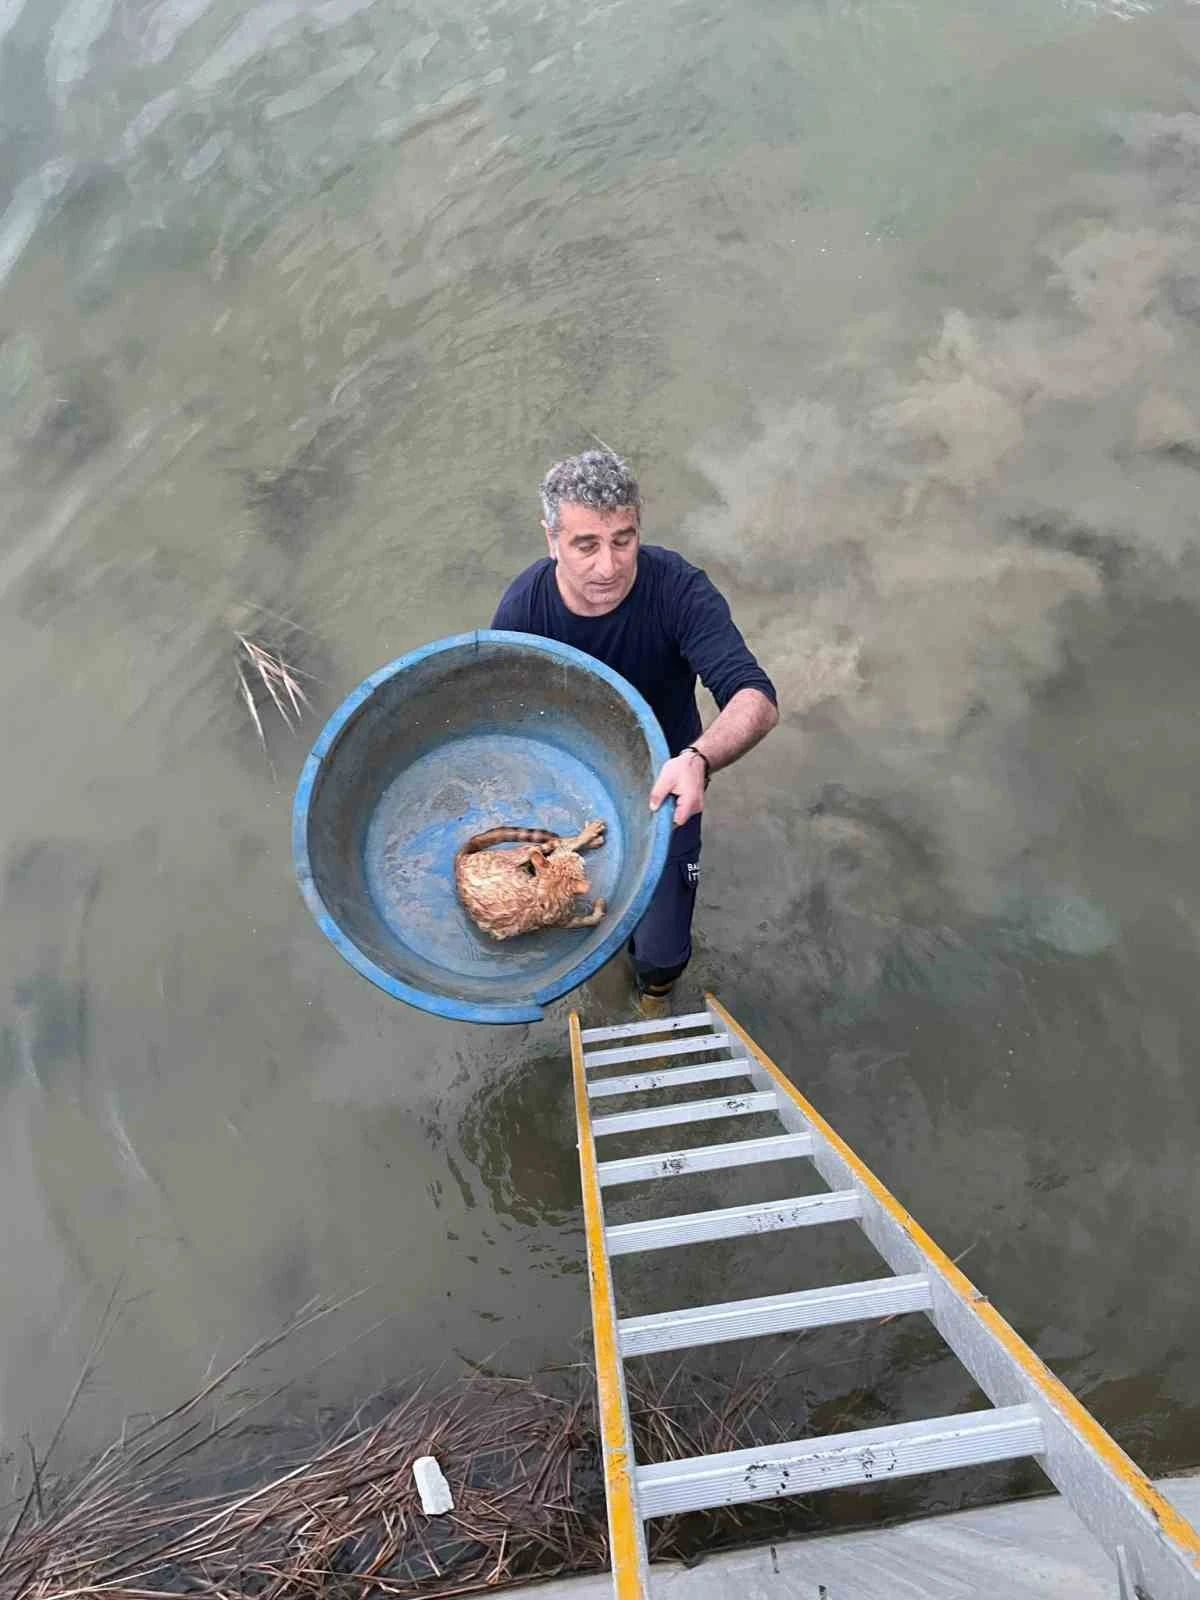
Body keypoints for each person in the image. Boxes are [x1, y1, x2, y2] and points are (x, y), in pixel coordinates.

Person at [491, 449, 779, 1015]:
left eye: (623, 541)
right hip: (573, 791)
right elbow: (502, 723)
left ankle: (654, 1001)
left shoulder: (677, 590)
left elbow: (755, 697)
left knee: (663, 949)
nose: (609, 566)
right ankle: (605, 977)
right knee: (587, 925)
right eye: (586, 545)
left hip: (667, 785)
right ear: (551, 539)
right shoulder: (523, 612)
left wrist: (698, 758)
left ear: (639, 529)